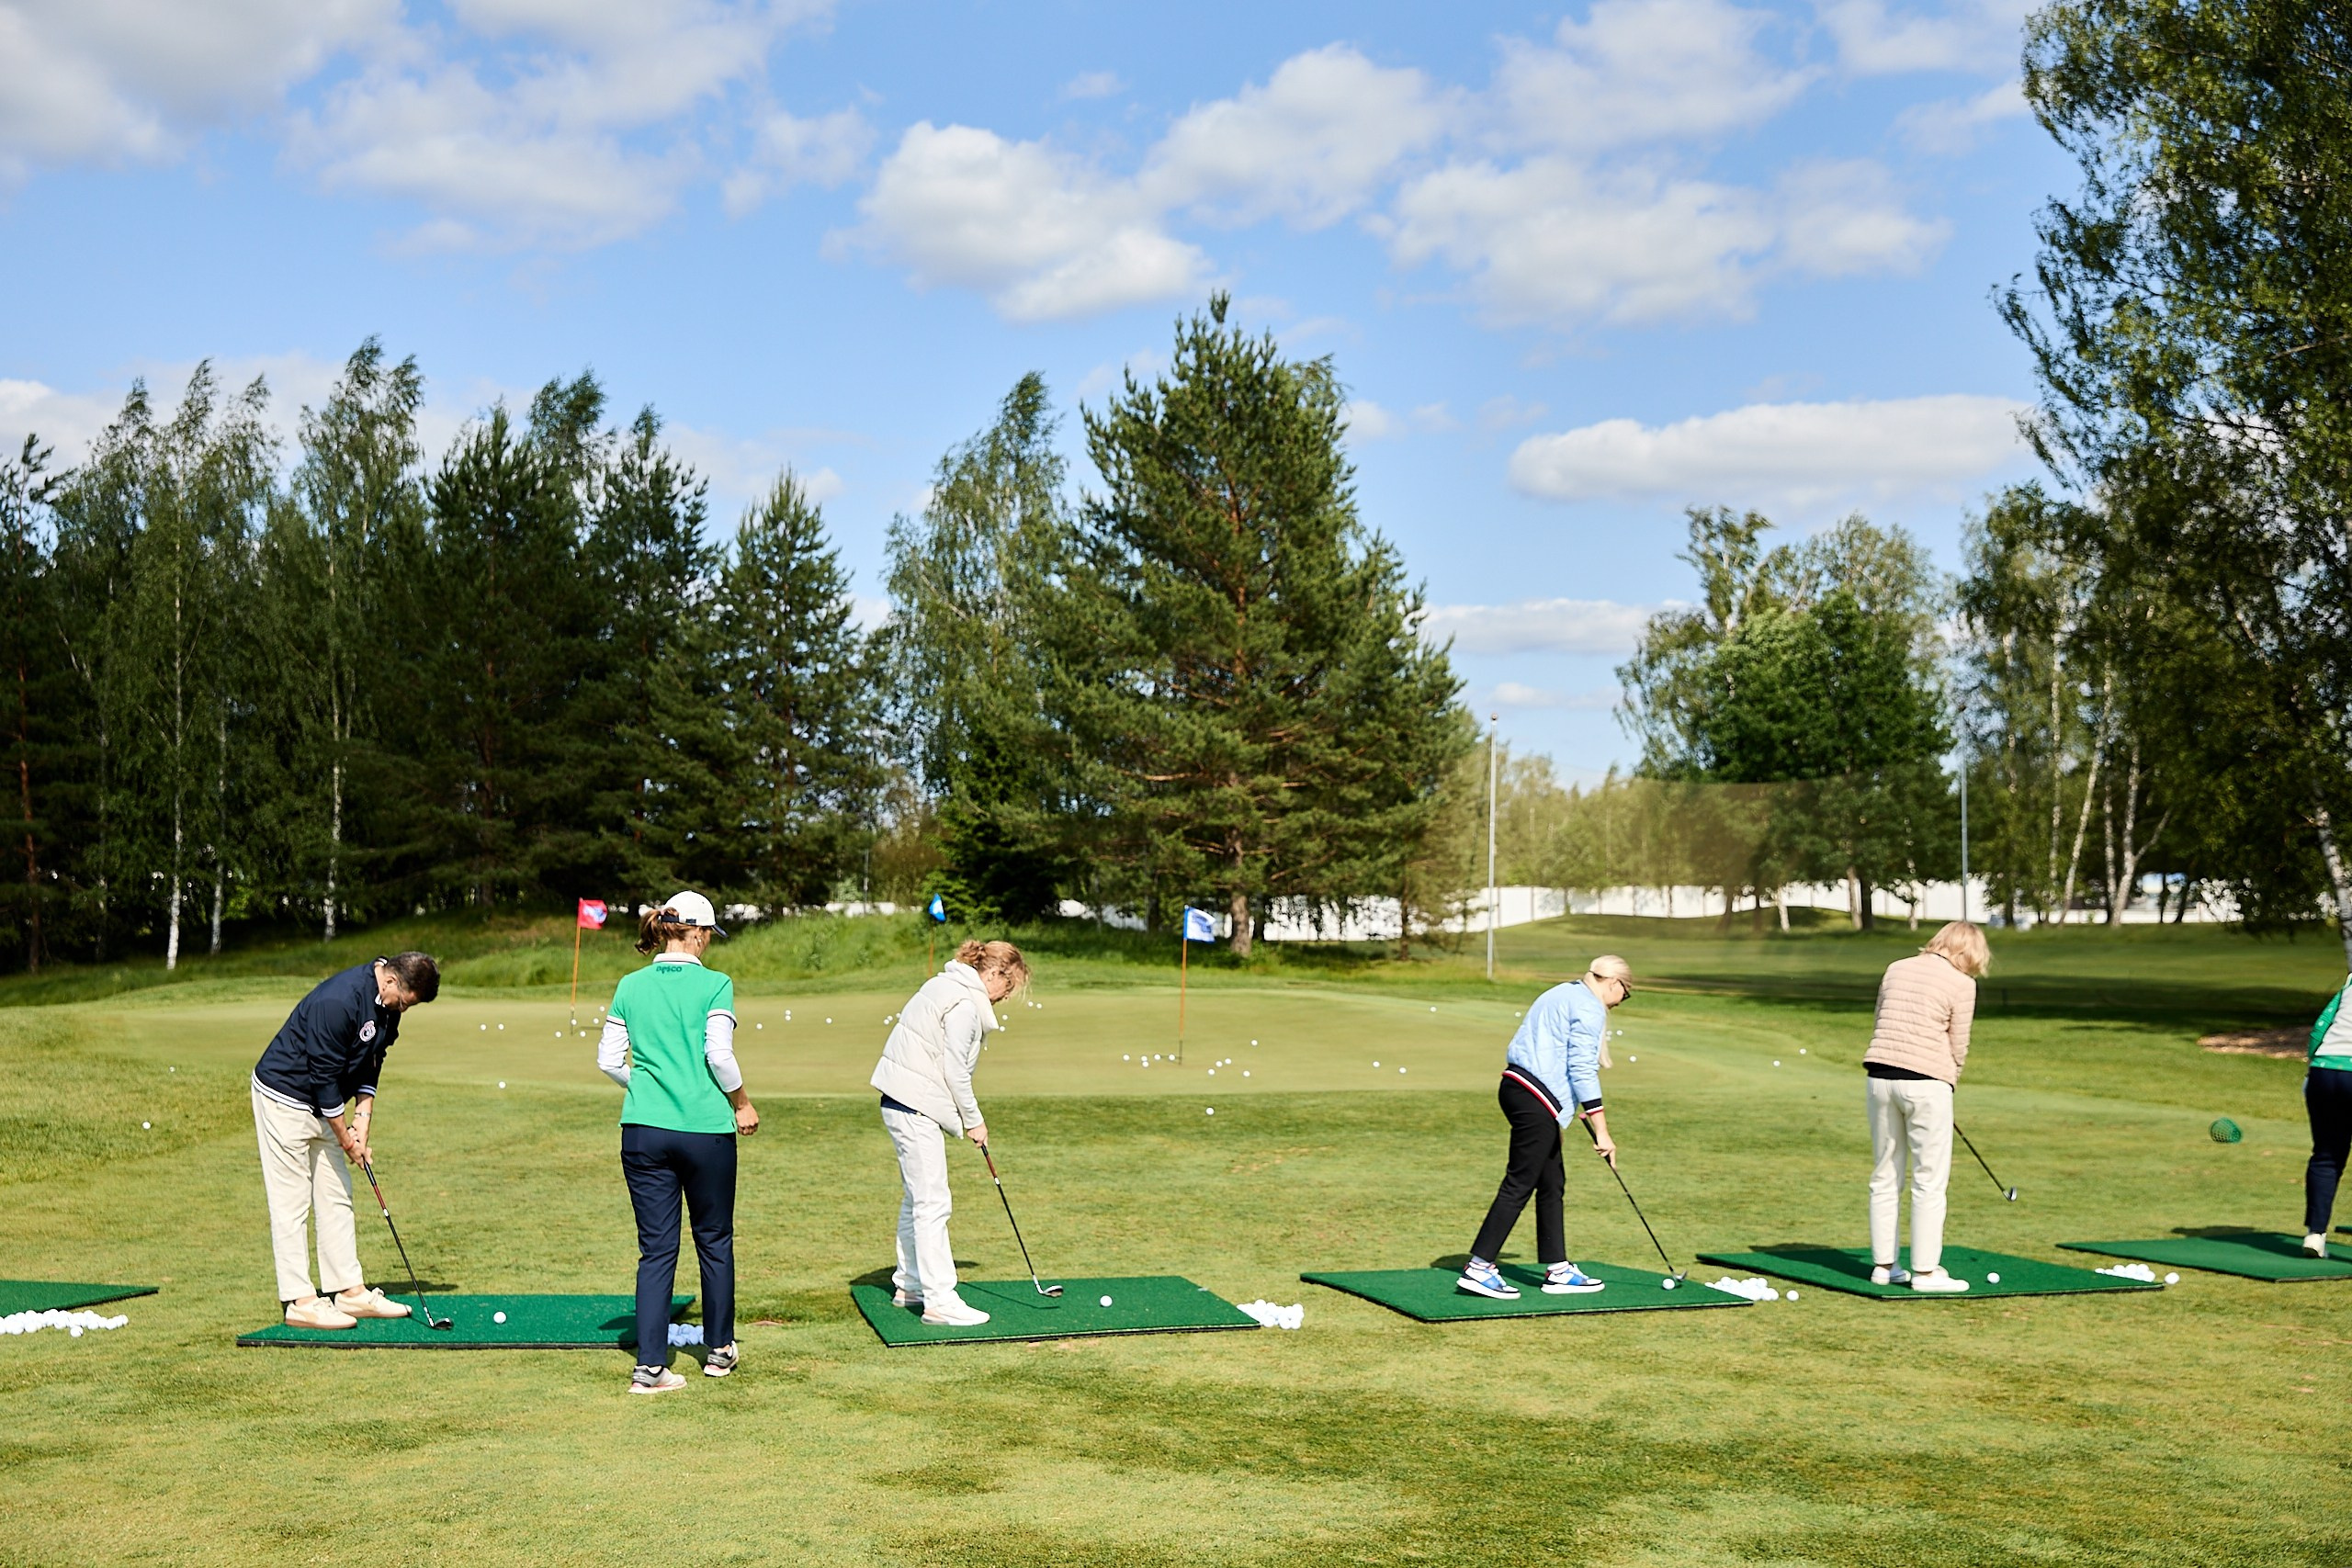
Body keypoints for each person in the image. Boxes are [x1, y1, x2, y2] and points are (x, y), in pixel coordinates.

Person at [597, 891, 759, 1395]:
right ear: (698, 933)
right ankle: (719, 1350)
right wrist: (741, 1103)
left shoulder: (630, 983)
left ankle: (649, 1369)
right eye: (709, 934)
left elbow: (607, 1060)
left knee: (656, 1250)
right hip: (706, 1130)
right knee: (714, 1239)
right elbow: (719, 1056)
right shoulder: (716, 984)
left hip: (643, 1131)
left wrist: (645, 1089)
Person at [250, 952, 440, 1328]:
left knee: (337, 1194)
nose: (403, 1009)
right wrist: (348, 1140)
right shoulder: (338, 1001)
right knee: (292, 1202)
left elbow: (373, 1059)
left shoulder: (388, 1006)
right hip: (285, 1097)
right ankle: (301, 1301)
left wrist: (363, 1121)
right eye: (404, 1001)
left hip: (326, 1101)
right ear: (390, 982)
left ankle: (349, 1292)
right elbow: (323, 1080)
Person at [871, 938, 1029, 1326]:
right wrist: (974, 1120)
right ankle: (939, 1299)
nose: (1005, 997)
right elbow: (955, 1071)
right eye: (1007, 987)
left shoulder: (945, 984)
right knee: (934, 1202)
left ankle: (910, 1284)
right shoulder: (963, 1004)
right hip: (914, 1104)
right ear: (994, 973)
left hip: (901, 1100)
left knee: (918, 1199)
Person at [1458, 954, 1635, 1300]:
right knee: (1520, 1183)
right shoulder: (1589, 1006)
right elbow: (1582, 1069)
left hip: (1519, 1089)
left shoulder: (1562, 992)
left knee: (1552, 1181)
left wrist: (1562, 1114)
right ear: (1615, 983)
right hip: (1537, 1097)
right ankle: (1478, 1268)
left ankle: (1558, 1268)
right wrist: (1602, 1131)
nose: (1621, 1002)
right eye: (1625, 994)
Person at [1864, 919, 1989, 1292]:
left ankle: (1884, 1267)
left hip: (1879, 1079)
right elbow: (1958, 1044)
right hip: (1926, 1083)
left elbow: (1880, 1020)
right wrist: (1949, 1084)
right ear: (1968, 952)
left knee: (1885, 1174)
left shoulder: (1896, 968)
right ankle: (1925, 1273)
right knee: (1929, 1180)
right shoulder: (1962, 984)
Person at [2301, 973, 2352, 1258]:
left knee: (2326, 1154)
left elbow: (2320, 1028)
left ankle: (2315, 1235)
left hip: (2324, 1070)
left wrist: (2312, 1070)